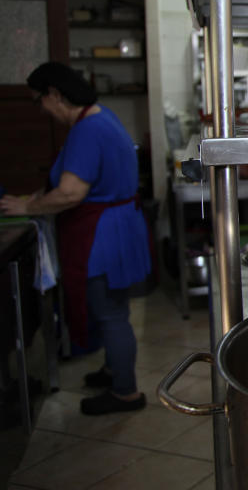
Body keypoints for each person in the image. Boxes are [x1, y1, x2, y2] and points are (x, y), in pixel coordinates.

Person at [0, 62, 151, 415]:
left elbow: (69, 193)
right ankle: (115, 371)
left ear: (54, 95)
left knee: (111, 314)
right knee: (114, 309)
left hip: (102, 234)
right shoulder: (103, 118)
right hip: (118, 227)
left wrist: (28, 204)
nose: (42, 111)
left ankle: (125, 393)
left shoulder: (87, 130)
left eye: (39, 101)